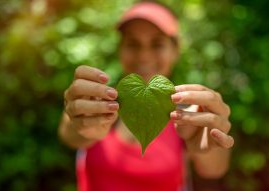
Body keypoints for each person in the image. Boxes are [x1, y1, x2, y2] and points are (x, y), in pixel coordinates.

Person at [58, 1, 234, 191]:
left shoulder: (187, 109)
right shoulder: (99, 102)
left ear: (175, 51)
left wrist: (208, 144)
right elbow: (69, 135)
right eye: (133, 44)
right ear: (120, 49)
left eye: (157, 44)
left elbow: (215, 169)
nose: (144, 56)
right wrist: (80, 125)